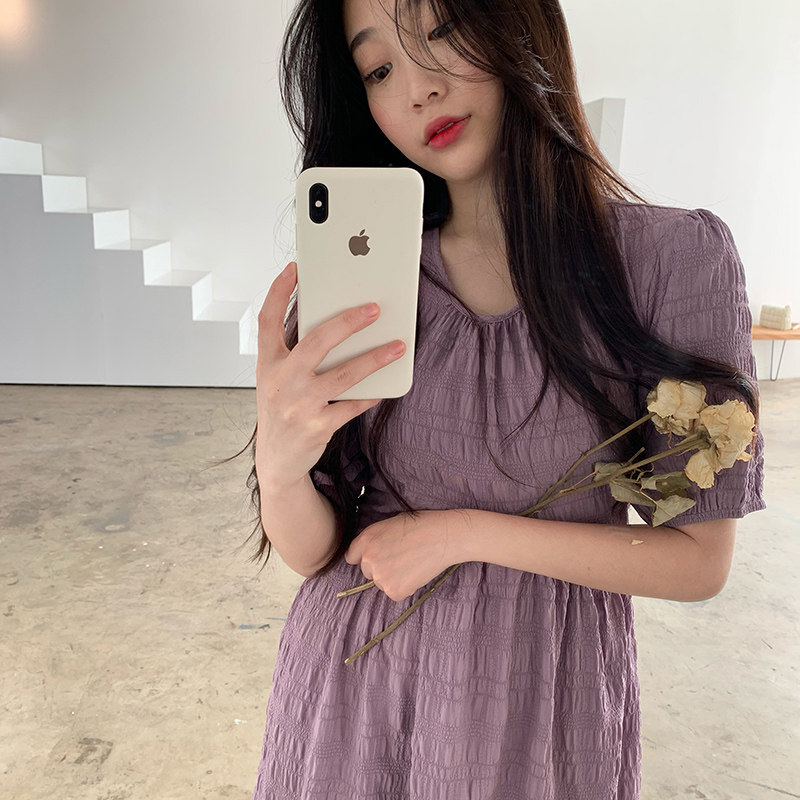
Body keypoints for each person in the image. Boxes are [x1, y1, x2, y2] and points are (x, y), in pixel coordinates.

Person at [239, 0, 766, 797]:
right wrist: (279, 467)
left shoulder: (672, 259)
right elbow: (316, 553)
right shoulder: (368, 279)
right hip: (355, 698)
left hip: (542, 703)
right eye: (379, 68)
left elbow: (699, 562)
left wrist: (461, 534)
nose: (417, 88)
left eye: (443, 33)